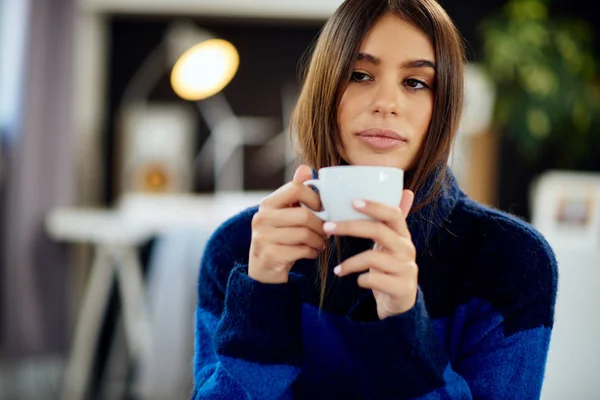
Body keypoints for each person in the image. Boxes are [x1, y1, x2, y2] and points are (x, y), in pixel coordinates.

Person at [191, 0, 558, 398]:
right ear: (324, 90)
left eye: (416, 82)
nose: (386, 103)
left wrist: (404, 327)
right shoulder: (238, 249)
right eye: (360, 75)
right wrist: (259, 297)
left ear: (445, 104)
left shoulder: (514, 260)